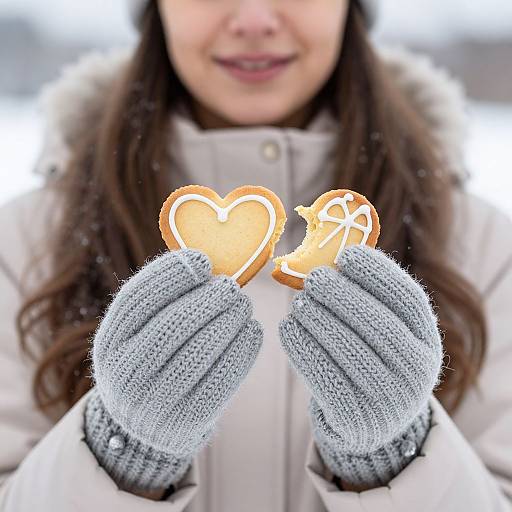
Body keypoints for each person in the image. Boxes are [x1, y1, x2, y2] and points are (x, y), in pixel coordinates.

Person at [0, 0, 511, 510]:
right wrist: (127, 458)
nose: (254, 20)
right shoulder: (23, 244)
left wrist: (393, 457)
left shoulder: (484, 248)